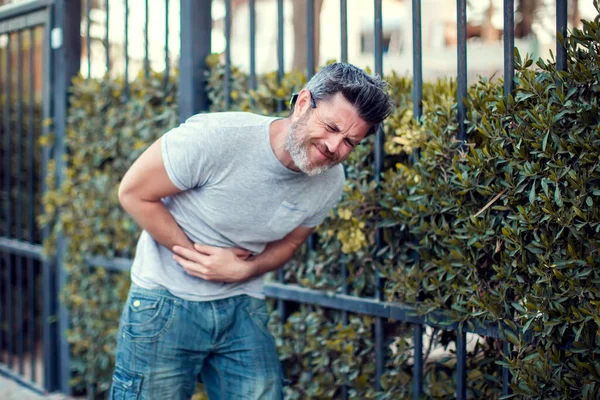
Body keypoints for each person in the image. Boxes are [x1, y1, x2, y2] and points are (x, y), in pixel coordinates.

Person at [110, 62, 393, 400]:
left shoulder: (330, 182)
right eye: (331, 127)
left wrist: (243, 269)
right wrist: (200, 258)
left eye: (350, 141)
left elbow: (290, 243)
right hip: (165, 300)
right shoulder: (216, 137)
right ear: (303, 103)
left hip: (242, 305)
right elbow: (133, 193)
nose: (335, 146)